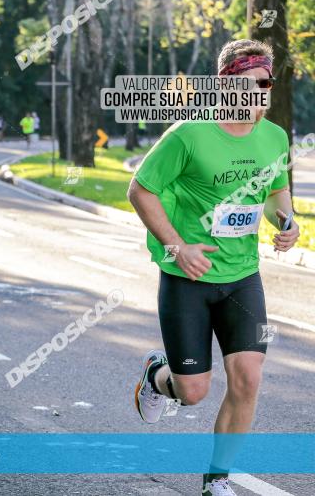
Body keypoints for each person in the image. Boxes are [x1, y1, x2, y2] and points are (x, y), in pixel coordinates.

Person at [127, 40, 299, 496]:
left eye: (267, 83)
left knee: (248, 378)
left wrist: (287, 221)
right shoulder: (189, 134)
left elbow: (276, 195)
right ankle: (156, 375)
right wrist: (178, 246)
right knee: (193, 392)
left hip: (243, 277)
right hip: (188, 278)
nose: (262, 91)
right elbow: (140, 190)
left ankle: (216, 479)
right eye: (253, 83)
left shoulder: (275, 137)